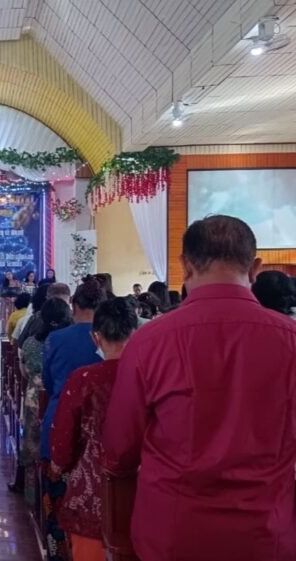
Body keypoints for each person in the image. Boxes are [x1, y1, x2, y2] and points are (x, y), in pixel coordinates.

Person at [103, 216, 296, 561]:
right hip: (266, 534)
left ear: (186, 265)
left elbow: (119, 449)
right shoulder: (290, 340)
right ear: (255, 268)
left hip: (173, 535)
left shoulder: (149, 341)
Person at [49, 298, 138, 561]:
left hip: (91, 494)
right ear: (135, 334)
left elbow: (63, 442)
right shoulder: (150, 375)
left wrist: (58, 466)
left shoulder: (84, 379)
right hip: (144, 493)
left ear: (95, 337)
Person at [39, 279, 106, 561]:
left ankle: (56, 552)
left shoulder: (56, 339)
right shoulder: (109, 338)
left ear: (73, 305)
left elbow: (47, 381)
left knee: (56, 501)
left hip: (59, 422)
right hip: (101, 429)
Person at [16, 298, 72, 507]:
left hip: (35, 398)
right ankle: (59, 498)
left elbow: (24, 372)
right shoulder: (68, 341)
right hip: (62, 396)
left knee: (32, 445)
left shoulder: (31, 343)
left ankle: (33, 496)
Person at [17, 283, 71, 348]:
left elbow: (21, 342)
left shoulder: (36, 318)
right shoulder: (75, 317)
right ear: (70, 299)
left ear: (47, 298)